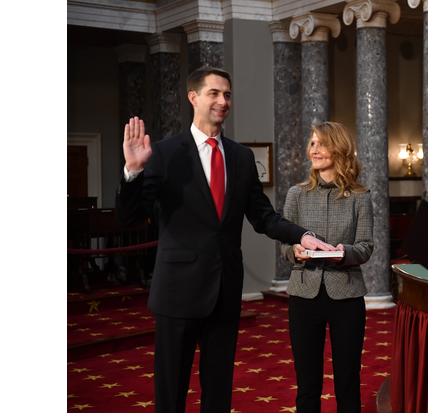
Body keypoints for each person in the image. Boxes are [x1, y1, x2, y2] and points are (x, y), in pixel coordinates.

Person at [115, 66, 335, 413]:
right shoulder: (164, 153)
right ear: (194, 98)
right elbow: (129, 220)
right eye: (214, 93)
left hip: (225, 290)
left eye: (227, 95)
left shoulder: (241, 156)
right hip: (177, 292)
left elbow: (263, 217)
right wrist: (133, 172)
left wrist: (303, 236)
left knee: (218, 390)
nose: (223, 101)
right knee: (171, 391)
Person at [281, 122, 374, 413]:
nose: (315, 150)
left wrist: (342, 253)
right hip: (303, 295)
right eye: (312, 144)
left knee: (347, 380)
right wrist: (295, 251)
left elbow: (366, 247)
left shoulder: (360, 196)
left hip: (346, 296)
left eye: (322, 144)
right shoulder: (296, 194)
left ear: (339, 148)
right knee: (307, 382)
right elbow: (285, 246)